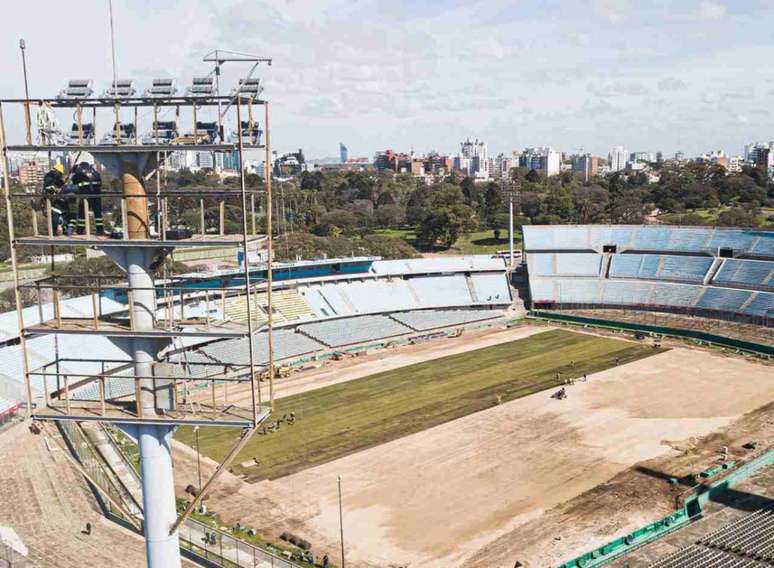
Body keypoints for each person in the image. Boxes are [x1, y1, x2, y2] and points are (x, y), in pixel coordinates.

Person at [71, 161, 104, 235]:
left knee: (82, 213)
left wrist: (73, 172)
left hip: (85, 195)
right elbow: (100, 182)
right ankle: (100, 230)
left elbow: (74, 181)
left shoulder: (80, 172)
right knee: (98, 213)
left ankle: (80, 230)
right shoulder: (94, 172)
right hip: (96, 194)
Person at [43, 163, 68, 234]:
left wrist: (63, 183)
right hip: (52, 199)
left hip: (57, 199)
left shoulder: (55, 177)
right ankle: (55, 230)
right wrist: (55, 189)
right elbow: (49, 187)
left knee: (62, 213)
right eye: (60, 173)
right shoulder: (49, 177)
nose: (60, 175)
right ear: (56, 171)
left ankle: (63, 228)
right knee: (55, 214)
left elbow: (60, 184)